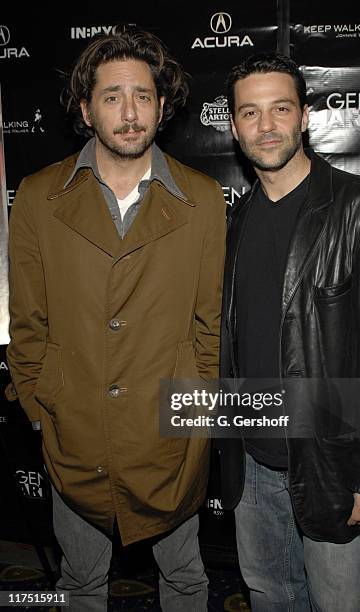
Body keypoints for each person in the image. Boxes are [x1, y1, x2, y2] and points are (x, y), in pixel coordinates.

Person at [7, 26, 226, 612]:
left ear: (162, 104)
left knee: (185, 580)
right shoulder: (37, 195)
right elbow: (26, 324)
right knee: (80, 585)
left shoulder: (203, 198)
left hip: (168, 436)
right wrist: (41, 402)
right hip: (73, 428)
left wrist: (198, 416)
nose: (130, 114)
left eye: (143, 97)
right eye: (112, 97)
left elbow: (210, 329)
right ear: (86, 108)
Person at [217, 52, 360, 612]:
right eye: (249, 113)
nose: (266, 125)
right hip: (250, 465)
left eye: (280, 108)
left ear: (304, 116)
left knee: (338, 605)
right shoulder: (238, 218)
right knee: (269, 597)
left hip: (332, 464)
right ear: (233, 126)